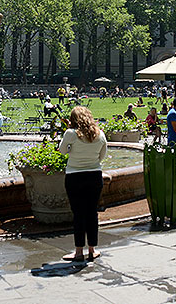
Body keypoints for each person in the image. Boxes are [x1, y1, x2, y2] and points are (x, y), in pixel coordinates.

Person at [58, 106, 108, 262]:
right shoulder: (100, 134)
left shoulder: (71, 134)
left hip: (75, 177)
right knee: (92, 213)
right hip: (94, 176)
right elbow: (102, 155)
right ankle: (92, 249)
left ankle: (79, 251)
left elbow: (62, 151)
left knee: (78, 214)